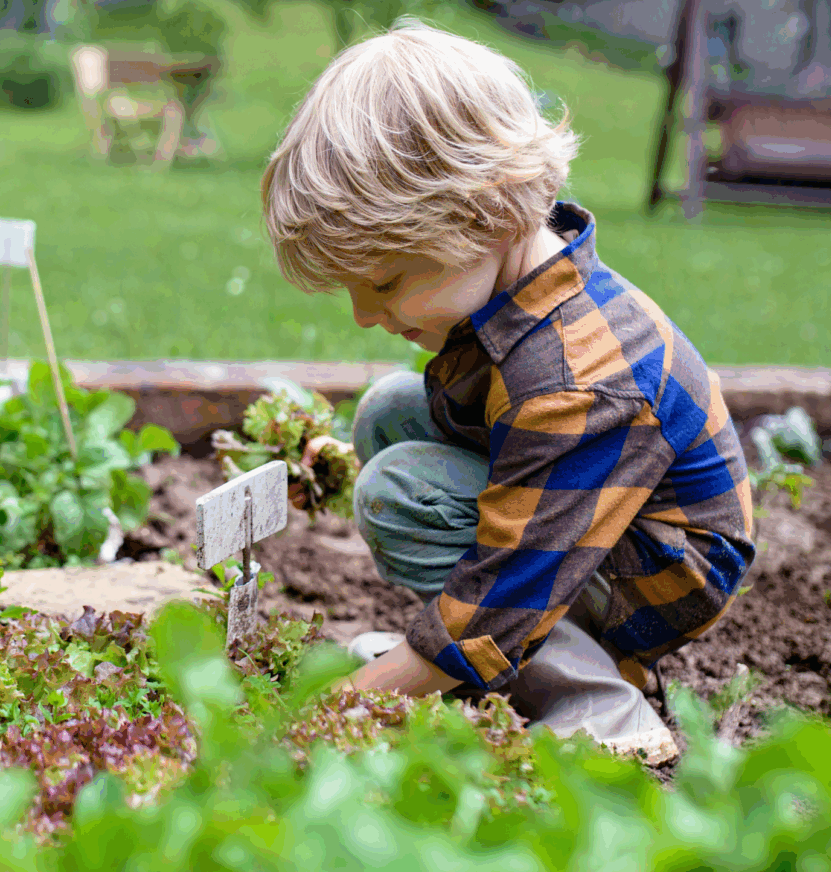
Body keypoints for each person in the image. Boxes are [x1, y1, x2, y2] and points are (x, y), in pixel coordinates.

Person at [260, 21, 756, 762]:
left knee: (398, 494)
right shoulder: (516, 285)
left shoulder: (576, 380)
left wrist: (355, 699)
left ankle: (599, 705)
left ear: (485, 213)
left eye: (384, 282)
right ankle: (487, 660)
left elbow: (519, 571)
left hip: (654, 577)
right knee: (390, 416)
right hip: (600, 532)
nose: (364, 315)